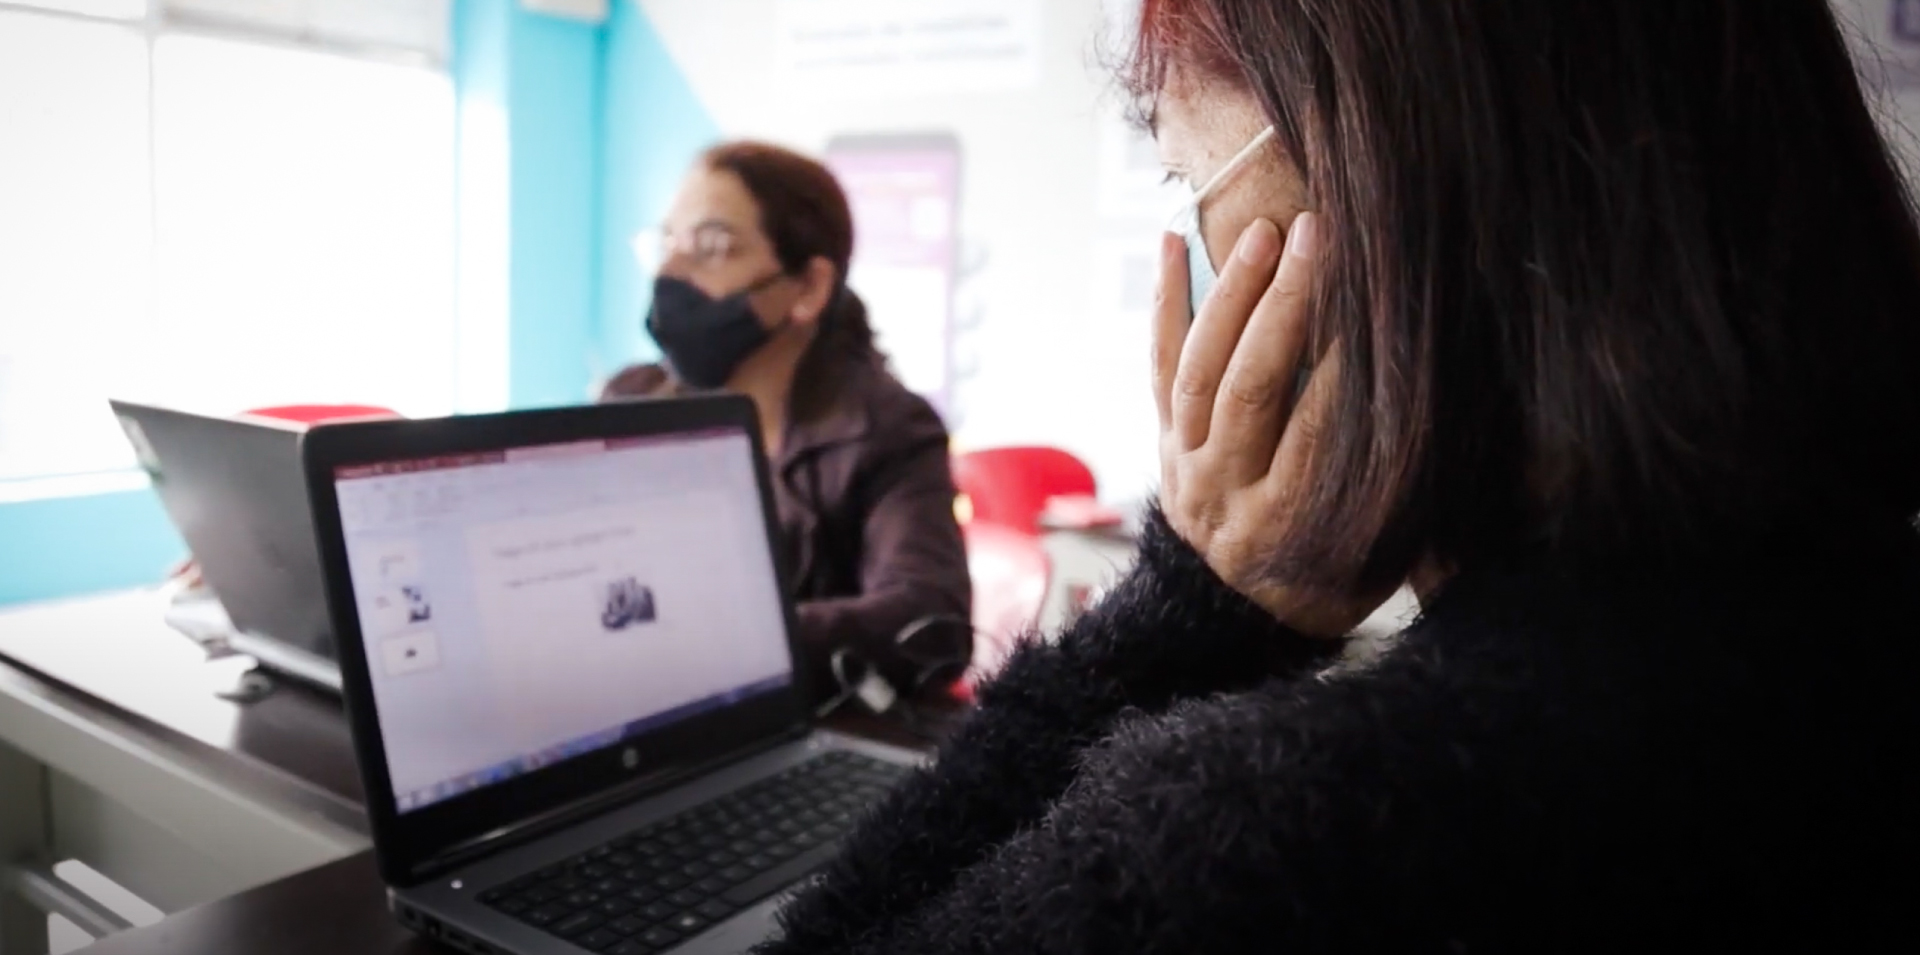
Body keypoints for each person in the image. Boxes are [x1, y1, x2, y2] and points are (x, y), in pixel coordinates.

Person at [756, 1, 1920, 952]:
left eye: (1189, 188)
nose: (1204, 269)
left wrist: (1190, 610)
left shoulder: (1288, 836)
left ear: (1383, 189)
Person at [602, 142, 971, 703]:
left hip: (806, 737)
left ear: (808, 288)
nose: (670, 272)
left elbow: (930, 620)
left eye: (712, 246)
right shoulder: (632, 403)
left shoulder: (886, 430)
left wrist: (727, 642)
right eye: (668, 242)